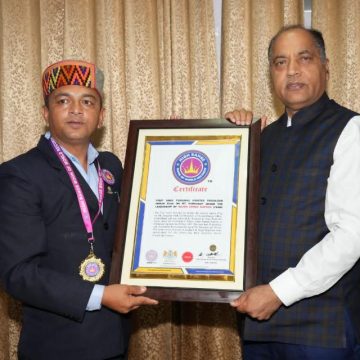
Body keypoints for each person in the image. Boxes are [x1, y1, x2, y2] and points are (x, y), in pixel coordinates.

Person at [0, 60, 158, 360]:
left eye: (88, 101)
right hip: (57, 345)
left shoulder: (111, 166)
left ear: (101, 116)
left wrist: (173, 141)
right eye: (63, 101)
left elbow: (147, 214)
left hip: (115, 339)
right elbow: (17, 274)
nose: (76, 110)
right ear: (45, 113)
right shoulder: (19, 174)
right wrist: (100, 296)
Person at [226, 25, 360, 359]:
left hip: (319, 329)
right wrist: (224, 141)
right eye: (280, 62)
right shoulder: (262, 138)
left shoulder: (350, 130)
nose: (292, 70)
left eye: (304, 58)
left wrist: (277, 292)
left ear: (325, 66)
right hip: (258, 323)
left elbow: (351, 236)